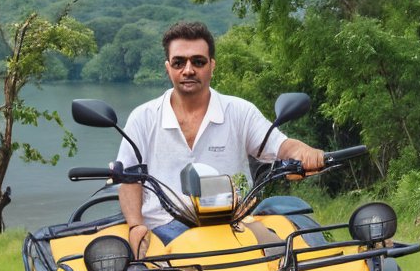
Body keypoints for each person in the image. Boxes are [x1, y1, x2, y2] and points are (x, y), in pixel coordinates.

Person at [114, 21, 326, 254]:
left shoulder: (239, 111)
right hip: (163, 228)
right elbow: (129, 178)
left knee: (288, 260)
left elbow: (280, 145)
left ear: (212, 66)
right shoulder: (143, 118)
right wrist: (136, 225)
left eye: (198, 61)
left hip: (235, 223)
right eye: (178, 62)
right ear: (168, 68)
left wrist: (303, 152)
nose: (188, 70)